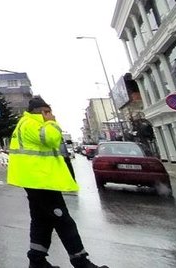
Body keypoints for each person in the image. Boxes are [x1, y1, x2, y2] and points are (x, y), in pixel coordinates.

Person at [7, 97, 108, 268]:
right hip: (40, 180)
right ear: (43, 112)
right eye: (49, 112)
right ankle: (80, 261)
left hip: (39, 180)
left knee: (41, 220)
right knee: (63, 220)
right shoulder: (31, 124)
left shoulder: (28, 123)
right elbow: (51, 139)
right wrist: (51, 123)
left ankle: (37, 260)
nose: (52, 115)